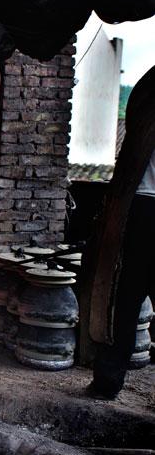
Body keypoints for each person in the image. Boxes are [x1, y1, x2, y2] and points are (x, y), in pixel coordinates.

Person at [80, 64, 155, 399]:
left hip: (139, 204)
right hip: (140, 203)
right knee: (124, 298)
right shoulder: (150, 88)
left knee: (124, 298)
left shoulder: (149, 87)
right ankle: (108, 379)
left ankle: (108, 379)